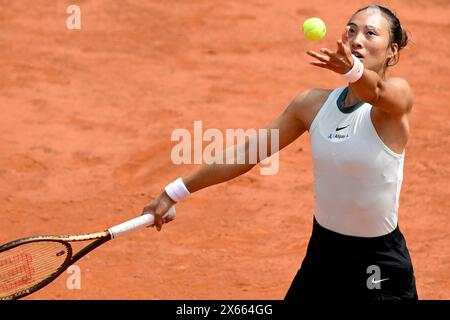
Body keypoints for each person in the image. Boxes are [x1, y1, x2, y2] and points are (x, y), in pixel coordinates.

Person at [142, 5, 418, 300]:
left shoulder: (396, 101)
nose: (357, 39)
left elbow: (375, 92)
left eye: (370, 33)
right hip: (323, 255)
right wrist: (174, 193)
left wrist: (352, 70)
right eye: (351, 30)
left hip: (379, 265)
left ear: (391, 51)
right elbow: (248, 152)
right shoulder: (312, 105)